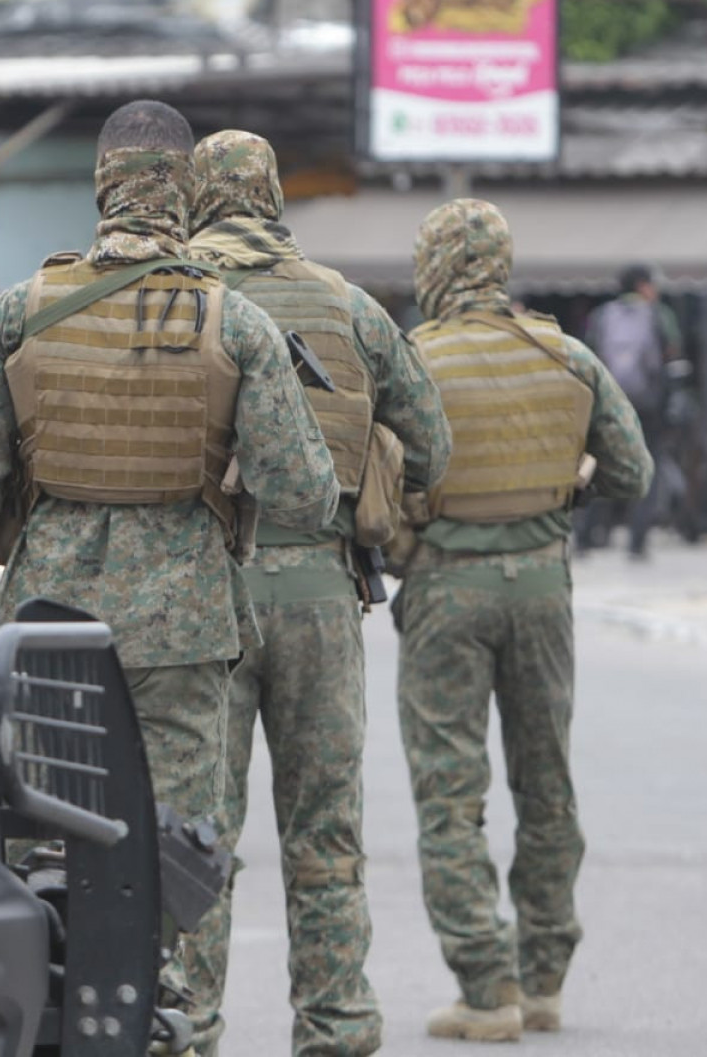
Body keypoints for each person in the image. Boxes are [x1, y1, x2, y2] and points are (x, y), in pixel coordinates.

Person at [0, 100, 339, 1055]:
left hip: (46, 629)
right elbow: (308, 494)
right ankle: (166, 1034)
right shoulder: (238, 321)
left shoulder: (20, 314)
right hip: (185, 630)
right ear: (184, 194)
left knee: (40, 852)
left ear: (100, 186)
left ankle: (39, 1024)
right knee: (172, 857)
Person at [185, 131, 451, 1057]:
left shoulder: (172, 298)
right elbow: (435, 446)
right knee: (325, 830)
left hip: (199, 594)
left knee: (194, 836)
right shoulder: (350, 304)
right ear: (272, 195)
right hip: (320, 591)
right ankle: (335, 1027)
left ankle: (185, 1031)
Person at [395, 199, 651, 1043]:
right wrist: (563, 488)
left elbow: (376, 486)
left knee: (450, 793)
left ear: (433, 264)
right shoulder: (565, 353)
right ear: (501, 264)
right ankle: (543, 980)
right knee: (546, 783)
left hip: (445, 592)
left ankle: (486, 985)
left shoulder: (412, 361)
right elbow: (632, 471)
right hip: (542, 587)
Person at [575, 263, 682, 559]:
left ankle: (585, 537)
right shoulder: (660, 316)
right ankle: (637, 543)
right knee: (646, 467)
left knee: (599, 466)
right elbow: (672, 355)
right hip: (648, 407)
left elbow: (588, 358)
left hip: (609, 404)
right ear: (643, 286)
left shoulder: (601, 316)